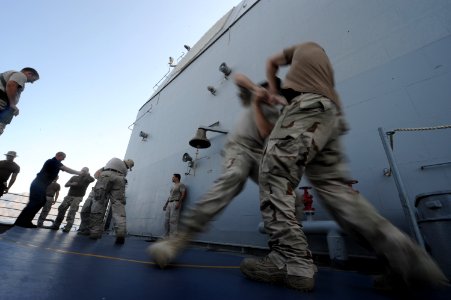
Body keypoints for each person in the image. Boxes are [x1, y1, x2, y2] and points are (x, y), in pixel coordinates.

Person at [238, 42, 448, 292]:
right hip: (330, 119)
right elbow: (267, 131)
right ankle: (408, 262)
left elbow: (271, 63)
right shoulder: (320, 74)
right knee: (337, 193)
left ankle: (290, 261)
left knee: (275, 175)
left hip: (306, 111)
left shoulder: (305, 48)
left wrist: (272, 87)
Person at [148, 73, 282, 268]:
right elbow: (238, 79)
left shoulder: (276, 112)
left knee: (284, 194)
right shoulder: (252, 96)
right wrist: (257, 91)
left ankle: (283, 251)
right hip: (239, 148)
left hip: (260, 155)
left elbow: (266, 134)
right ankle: (175, 242)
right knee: (234, 177)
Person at [14, 152, 82, 228]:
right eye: (63, 157)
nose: (64, 159)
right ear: (58, 156)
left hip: (41, 185)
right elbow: (67, 169)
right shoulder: (53, 161)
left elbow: (65, 169)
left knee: (41, 202)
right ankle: (22, 222)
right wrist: (79, 173)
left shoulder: (56, 163)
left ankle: (25, 221)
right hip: (38, 184)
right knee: (35, 202)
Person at [88, 158, 134, 244]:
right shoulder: (125, 171)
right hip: (120, 179)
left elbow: (96, 174)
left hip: (105, 175)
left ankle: (94, 232)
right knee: (118, 205)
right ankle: (120, 232)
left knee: (99, 203)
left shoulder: (114, 160)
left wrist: (101, 180)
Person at [51, 167, 95, 232]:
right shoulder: (74, 177)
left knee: (72, 211)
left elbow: (92, 179)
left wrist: (87, 174)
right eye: (82, 170)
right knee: (61, 209)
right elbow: (66, 185)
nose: (83, 171)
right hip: (69, 196)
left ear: (87, 172)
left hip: (78, 197)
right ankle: (56, 225)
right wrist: (72, 184)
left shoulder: (87, 179)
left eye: (85, 171)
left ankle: (68, 227)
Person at [0, 67, 39, 135]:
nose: (32, 82)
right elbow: (11, 85)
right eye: (33, 79)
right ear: (30, 74)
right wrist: (12, 104)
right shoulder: (21, 75)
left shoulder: (12, 74)